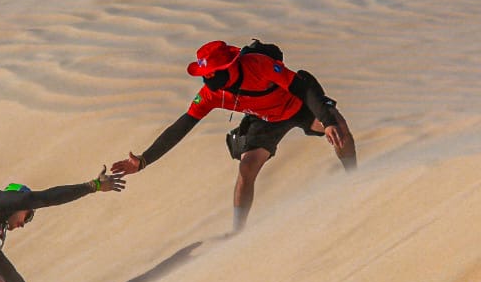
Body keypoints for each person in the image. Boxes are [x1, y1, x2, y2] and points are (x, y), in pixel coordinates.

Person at [112, 40, 355, 231]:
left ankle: (355, 179)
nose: (209, 79)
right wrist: (143, 160)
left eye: (214, 73)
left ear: (230, 66)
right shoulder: (210, 93)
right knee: (247, 168)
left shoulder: (258, 65)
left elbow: (303, 85)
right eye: (205, 75)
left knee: (340, 131)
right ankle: (238, 232)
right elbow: (183, 125)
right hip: (265, 120)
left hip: (297, 106)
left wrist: (327, 119)